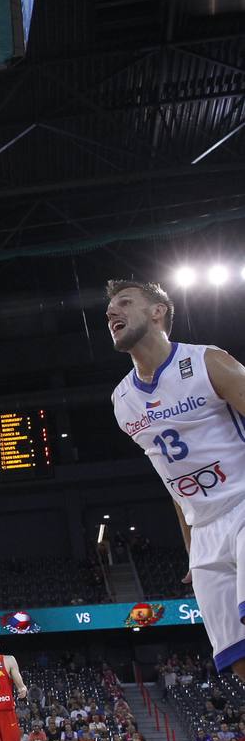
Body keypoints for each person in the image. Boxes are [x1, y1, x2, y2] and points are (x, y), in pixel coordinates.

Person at [107, 280, 245, 678]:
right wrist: (190, 545)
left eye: (125, 303)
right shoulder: (122, 401)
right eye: (109, 312)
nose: (112, 314)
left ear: (157, 312)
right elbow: (172, 478)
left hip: (242, 504)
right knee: (235, 657)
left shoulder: (208, 362)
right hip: (204, 529)